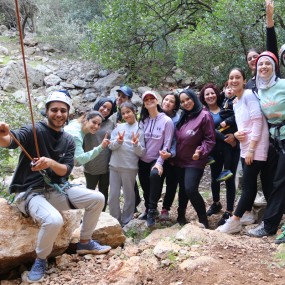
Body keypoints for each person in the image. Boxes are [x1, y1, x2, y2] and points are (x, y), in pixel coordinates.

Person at [0, 91, 111, 283]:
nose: (58, 114)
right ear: (46, 112)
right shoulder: (34, 130)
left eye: (63, 110)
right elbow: (11, 141)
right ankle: (40, 259)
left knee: (98, 198)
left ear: (68, 114)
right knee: (53, 221)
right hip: (29, 193)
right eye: (54, 110)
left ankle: (84, 242)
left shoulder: (68, 140)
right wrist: (3, 134)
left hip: (56, 190)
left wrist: (50, 163)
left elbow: (65, 171)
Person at [216, 68, 270, 234]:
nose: (233, 80)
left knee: (247, 185)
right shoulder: (236, 101)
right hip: (245, 145)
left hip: (256, 145)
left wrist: (252, 149)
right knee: (250, 183)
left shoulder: (248, 96)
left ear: (244, 80)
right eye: (231, 77)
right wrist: (238, 133)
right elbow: (245, 124)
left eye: (237, 77)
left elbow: (258, 122)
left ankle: (235, 220)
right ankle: (246, 215)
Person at [246, 52, 285, 243]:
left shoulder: (283, 85)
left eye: (267, 64)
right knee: (272, 181)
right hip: (274, 142)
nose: (263, 67)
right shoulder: (258, 90)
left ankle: (269, 226)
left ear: (274, 66)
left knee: (279, 182)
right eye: (260, 64)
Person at [199, 83, 240, 226]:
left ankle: (229, 210)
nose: (210, 96)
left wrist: (234, 137)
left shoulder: (228, 106)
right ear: (203, 98)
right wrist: (224, 138)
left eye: (212, 93)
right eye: (207, 94)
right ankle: (216, 203)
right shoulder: (203, 112)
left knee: (229, 177)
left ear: (217, 94)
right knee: (215, 178)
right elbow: (208, 130)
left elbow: (239, 121)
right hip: (215, 150)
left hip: (232, 148)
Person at [175, 89, 215, 228]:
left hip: (195, 159)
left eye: (188, 99)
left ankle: (203, 219)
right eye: (182, 101)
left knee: (190, 188)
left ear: (194, 98)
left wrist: (201, 151)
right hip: (180, 159)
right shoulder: (185, 115)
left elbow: (210, 140)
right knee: (183, 189)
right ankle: (181, 216)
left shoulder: (204, 115)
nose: (186, 103)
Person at [138, 90, 174, 227]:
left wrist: (159, 163)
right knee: (145, 185)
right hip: (142, 159)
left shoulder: (166, 121)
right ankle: (148, 208)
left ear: (157, 101)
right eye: (146, 99)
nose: (149, 100)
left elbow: (167, 144)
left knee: (154, 177)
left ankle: (152, 210)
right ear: (144, 103)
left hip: (157, 158)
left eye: (151, 98)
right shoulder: (144, 120)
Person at [108, 102, 145, 226]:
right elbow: (110, 146)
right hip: (114, 166)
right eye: (123, 113)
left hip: (129, 167)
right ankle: (114, 220)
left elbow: (141, 152)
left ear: (134, 111)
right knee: (113, 196)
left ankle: (126, 221)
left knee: (129, 195)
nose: (126, 115)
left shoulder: (140, 129)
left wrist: (136, 144)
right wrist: (118, 142)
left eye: (128, 112)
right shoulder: (119, 128)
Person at [83, 98, 115, 211]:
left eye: (109, 109)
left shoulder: (111, 123)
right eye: (104, 107)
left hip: (106, 164)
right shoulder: (88, 119)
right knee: (89, 192)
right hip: (91, 164)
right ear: (98, 105)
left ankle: (102, 215)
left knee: (104, 191)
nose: (105, 110)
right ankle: (87, 217)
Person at [158, 93, 180, 221]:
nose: (167, 102)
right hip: (157, 155)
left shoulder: (178, 119)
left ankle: (166, 208)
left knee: (171, 183)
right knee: (156, 181)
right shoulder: (156, 115)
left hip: (172, 157)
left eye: (171, 101)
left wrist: (171, 153)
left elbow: (177, 139)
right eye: (166, 99)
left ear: (175, 105)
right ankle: (152, 207)